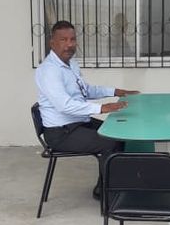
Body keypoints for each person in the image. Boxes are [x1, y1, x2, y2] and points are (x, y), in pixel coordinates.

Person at [35, 21, 139, 199]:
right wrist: (102, 108)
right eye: (63, 40)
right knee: (109, 143)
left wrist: (115, 91)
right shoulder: (49, 71)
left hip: (79, 122)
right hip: (61, 132)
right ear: (52, 43)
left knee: (119, 133)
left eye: (73, 39)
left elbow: (86, 90)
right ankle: (108, 195)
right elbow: (64, 105)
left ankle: (107, 185)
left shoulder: (71, 64)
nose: (69, 44)